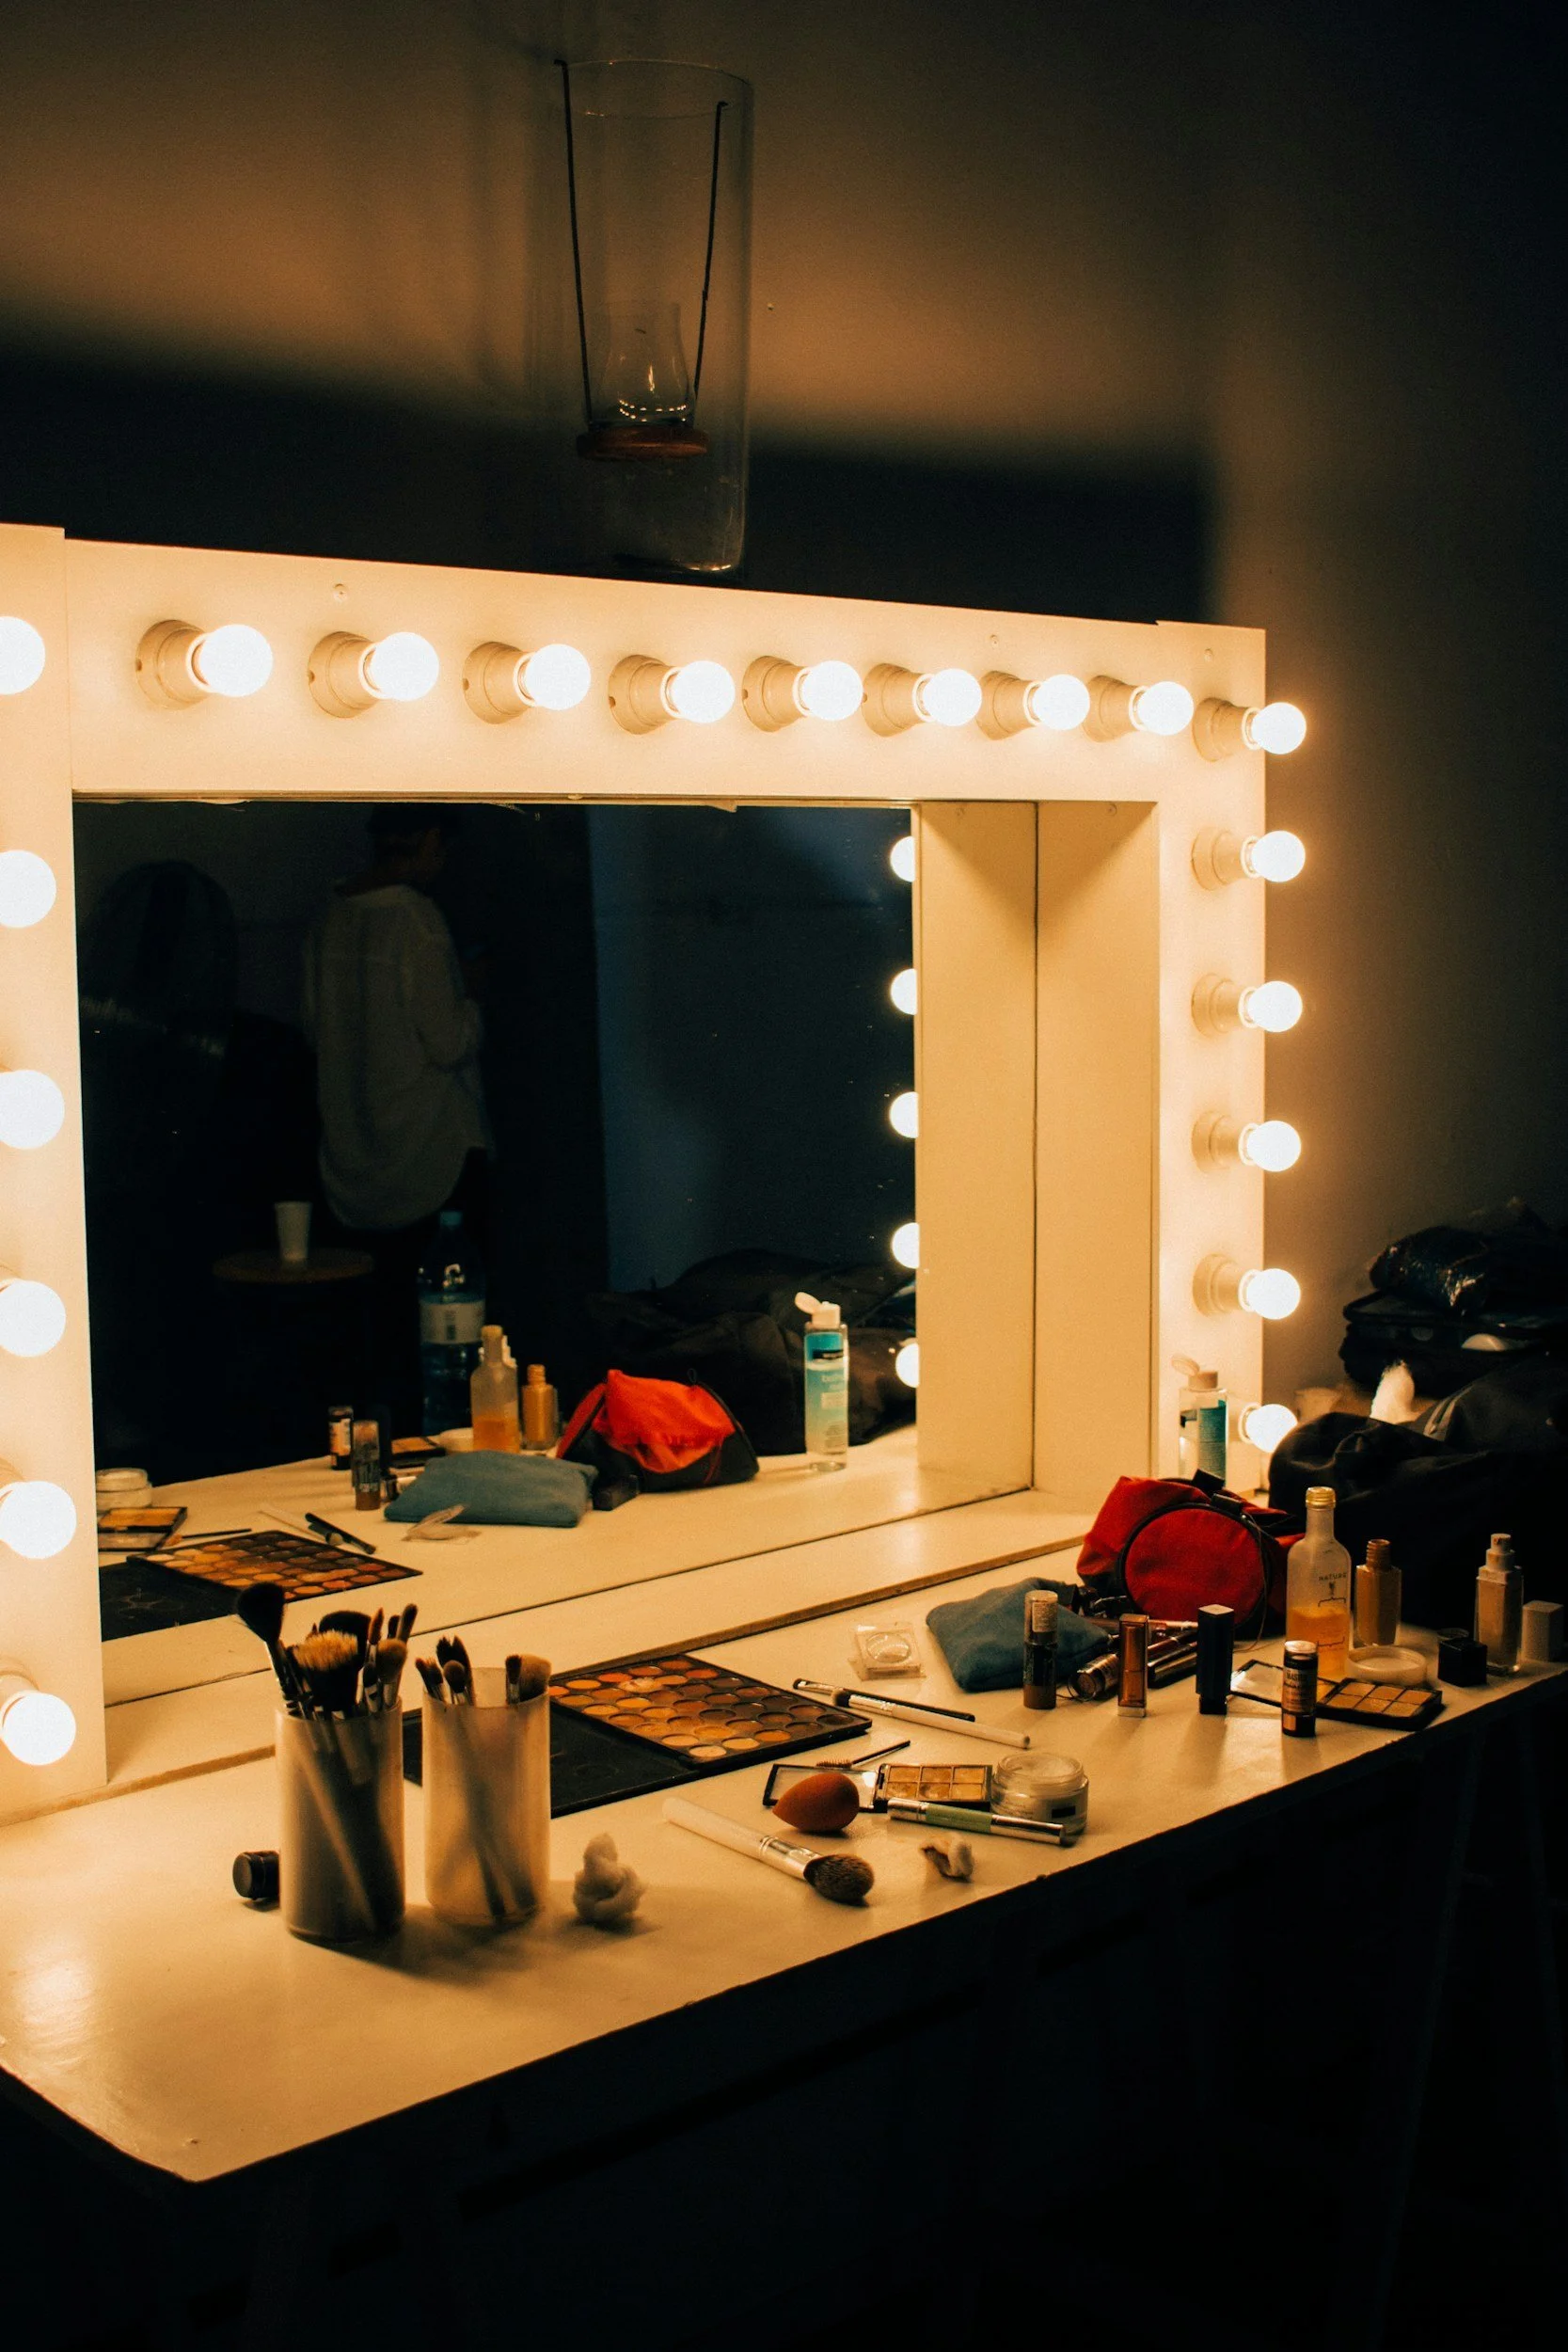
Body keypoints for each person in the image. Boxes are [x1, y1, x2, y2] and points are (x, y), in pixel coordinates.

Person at [303, 805, 490, 1423]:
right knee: (444, 1320)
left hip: (353, 1147)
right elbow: (445, 1041)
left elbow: (312, 1028)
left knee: (378, 1320)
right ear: (432, 840)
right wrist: (474, 1002)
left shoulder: (331, 915)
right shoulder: (415, 917)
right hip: (430, 1144)